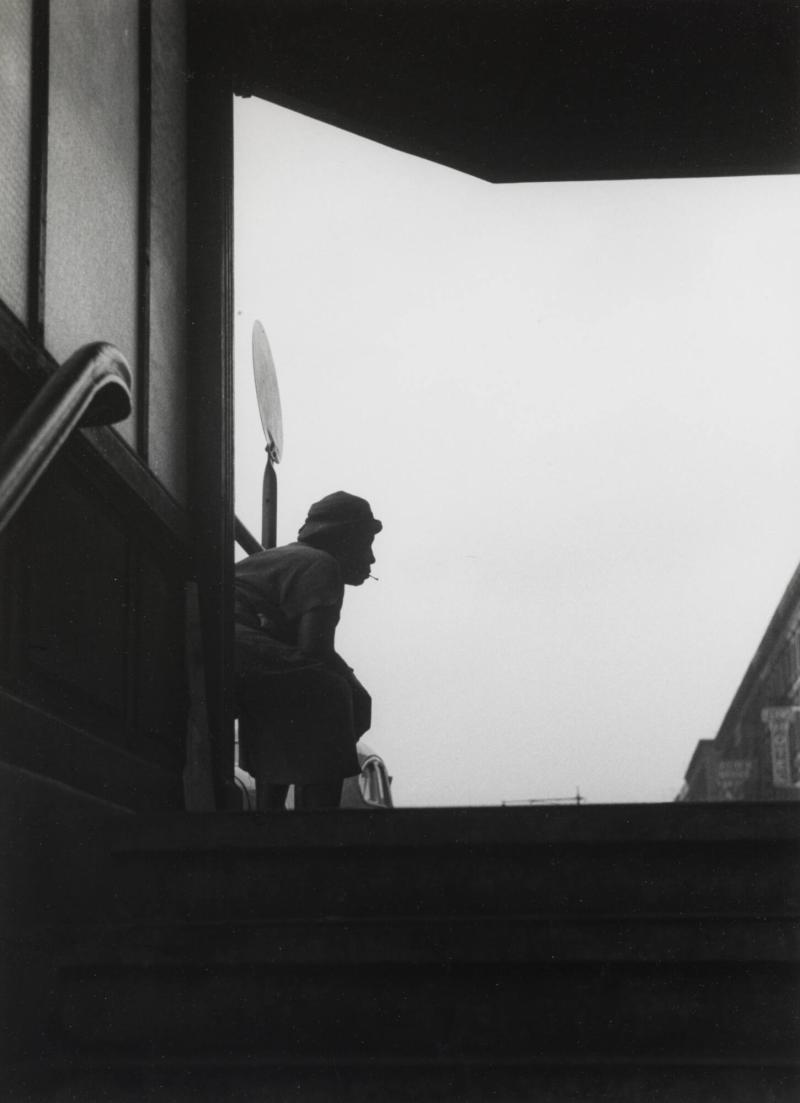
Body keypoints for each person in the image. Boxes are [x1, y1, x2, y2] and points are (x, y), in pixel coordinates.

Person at [234, 491, 381, 810]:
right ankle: (316, 816)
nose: (371, 559)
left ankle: (270, 810)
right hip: (235, 640)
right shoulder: (322, 565)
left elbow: (304, 653)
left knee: (307, 685)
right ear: (344, 539)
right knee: (332, 692)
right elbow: (314, 651)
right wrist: (353, 687)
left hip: (227, 639)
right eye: (366, 544)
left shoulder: (292, 558)